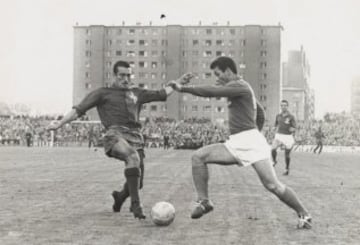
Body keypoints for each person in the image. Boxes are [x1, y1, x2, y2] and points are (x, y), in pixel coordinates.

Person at [169, 56, 312, 229]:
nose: (217, 78)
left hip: (251, 143)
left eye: (218, 74)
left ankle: (304, 214)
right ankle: (204, 201)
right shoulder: (240, 88)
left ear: (229, 71)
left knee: (272, 185)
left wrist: (182, 88)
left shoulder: (239, 86)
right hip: (238, 142)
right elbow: (260, 113)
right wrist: (254, 132)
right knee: (198, 157)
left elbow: (212, 92)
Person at [47, 60, 182, 220]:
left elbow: (160, 94)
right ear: (114, 76)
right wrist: (60, 123)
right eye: (122, 75)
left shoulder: (136, 93)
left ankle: (119, 197)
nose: (125, 79)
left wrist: (175, 85)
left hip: (135, 137)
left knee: (138, 183)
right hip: (115, 135)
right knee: (132, 157)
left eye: (128, 75)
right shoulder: (102, 93)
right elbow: (79, 110)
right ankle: (135, 205)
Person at [271, 100, 296, 175]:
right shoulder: (278, 116)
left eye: (285, 105)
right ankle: (274, 161)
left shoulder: (291, 116)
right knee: (273, 149)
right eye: (282, 105)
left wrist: (292, 129)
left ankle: (286, 169)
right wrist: (274, 127)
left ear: (287, 106)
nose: (283, 107)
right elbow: (275, 124)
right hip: (279, 135)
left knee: (287, 154)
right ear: (280, 106)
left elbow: (294, 126)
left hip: (288, 136)